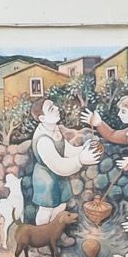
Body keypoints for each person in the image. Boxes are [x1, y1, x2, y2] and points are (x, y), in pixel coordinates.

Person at [25, 96, 102, 226]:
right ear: (42, 118)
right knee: (46, 210)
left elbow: (66, 149)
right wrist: (81, 159)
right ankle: (42, 237)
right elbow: (59, 166)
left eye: (54, 105)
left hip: (59, 176)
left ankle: (54, 234)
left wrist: (83, 149)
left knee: (61, 205)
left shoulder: (55, 129)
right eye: (51, 108)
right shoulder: (43, 140)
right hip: (46, 179)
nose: (56, 108)